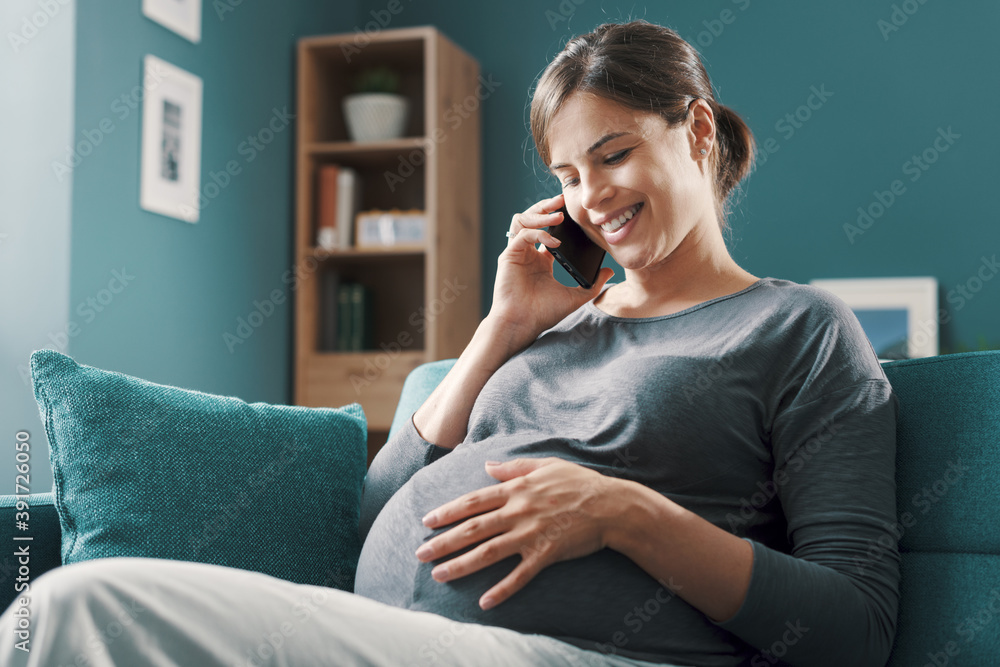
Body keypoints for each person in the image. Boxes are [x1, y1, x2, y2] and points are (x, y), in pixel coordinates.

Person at [0, 20, 899, 667]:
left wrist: (622, 511)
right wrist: (501, 328)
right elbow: (374, 512)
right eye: (567, 175)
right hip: (400, 632)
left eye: (614, 154)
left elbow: (856, 624)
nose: (590, 198)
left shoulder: (798, 329)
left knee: (82, 607)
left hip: (573, 651)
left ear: (696, 129)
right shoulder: (544, 329)